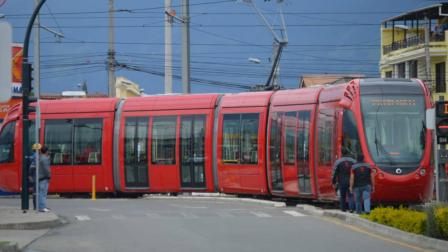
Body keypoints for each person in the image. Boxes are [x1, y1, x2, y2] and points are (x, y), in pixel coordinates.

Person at [38, 146, 51, 212]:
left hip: (41, 177)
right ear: (46, 151)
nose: (49, 152)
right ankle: (42, 207)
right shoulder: (44, 159)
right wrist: (49, 176)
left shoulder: (41, 157)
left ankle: (42, 206)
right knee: (43, 193)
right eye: (48, 151)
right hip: (44, 178)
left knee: (42, 193)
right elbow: (47, 169)